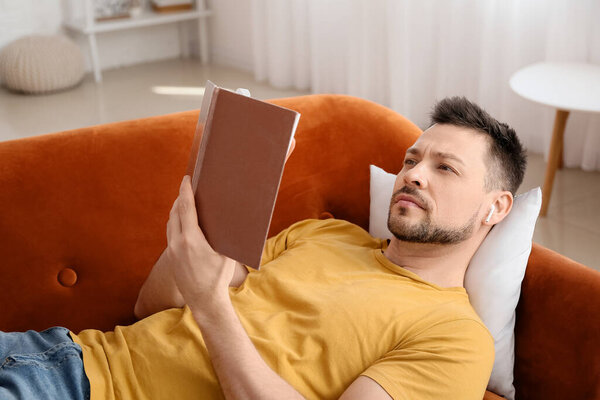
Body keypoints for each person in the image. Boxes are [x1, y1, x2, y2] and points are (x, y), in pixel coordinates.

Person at [0, 96, 526, 400]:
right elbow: (151, 306)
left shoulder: (455, 338)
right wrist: (217, 203)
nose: (413, 175)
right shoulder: (328, 234)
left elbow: (205, 301)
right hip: (61, 350)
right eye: (411, 159)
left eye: (444, 167)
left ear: (496, 207)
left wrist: (211, 305)